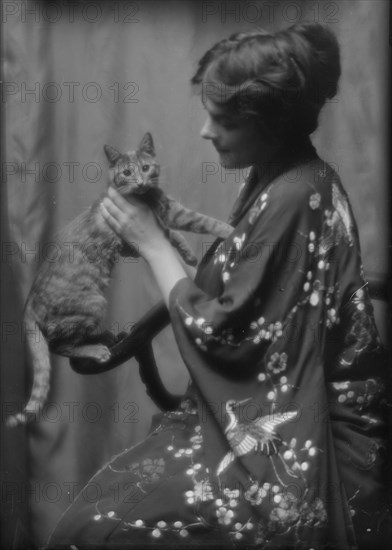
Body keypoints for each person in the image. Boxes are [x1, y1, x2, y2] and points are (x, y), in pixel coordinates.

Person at [47, 23, 390, 549]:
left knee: (97, 531)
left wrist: (155, 244)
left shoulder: (296, 193)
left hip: (303, 422)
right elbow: (246, 301)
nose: (206, 131)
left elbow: (227, 332)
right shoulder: (283, 174)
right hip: (261, 396)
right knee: (94, 517)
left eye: (223, 119)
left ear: (270, 122)